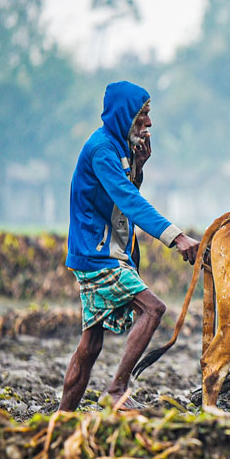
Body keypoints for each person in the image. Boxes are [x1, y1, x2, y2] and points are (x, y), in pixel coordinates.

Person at [59, 81, 200, 411]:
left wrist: (139, 167)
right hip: (97, 253)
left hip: (103, 250)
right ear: (124, 116)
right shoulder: (103, 151)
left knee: (91, 343)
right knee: (153, 309)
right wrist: (176, 238)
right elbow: (129, 201)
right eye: (142, 116)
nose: (148, 124)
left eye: (148, 116)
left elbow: (119, 197)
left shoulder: (120, 147)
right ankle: (116, 389)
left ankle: (61, 419)